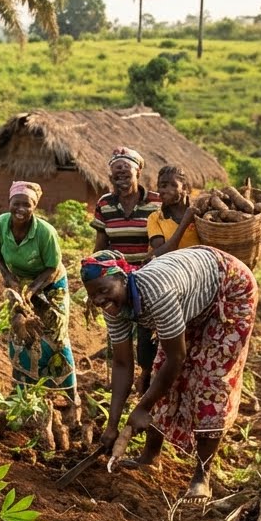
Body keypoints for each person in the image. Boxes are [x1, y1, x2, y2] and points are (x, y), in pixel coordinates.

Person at [85, 247, 257, 499]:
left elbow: (177, 358)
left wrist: (143, 408)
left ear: (123, 278)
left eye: (104, 290)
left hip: (229, 289)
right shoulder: (112, 307)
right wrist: (112, 425)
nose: (99, 299)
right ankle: (150, 457)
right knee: (159, 374)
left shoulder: (157, 294)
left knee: (212, 381)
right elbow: (122, 364)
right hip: (191, 292)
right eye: (93, 295)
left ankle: (202, 475)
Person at [0, 181, 77, 449]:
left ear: (35, 206)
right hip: (19, 283)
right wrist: (7, 276)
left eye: (27, 204)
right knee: (21, 333)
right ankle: (22, 394)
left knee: (55, 338)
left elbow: (52, 266)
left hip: (50, 283)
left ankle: (72, 399)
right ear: (9, 202)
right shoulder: (1, 225)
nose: (21, 208)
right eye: (17, 203)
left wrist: (34, 290)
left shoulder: (45, 232)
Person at [92, 147, 163, 395]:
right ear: (110, 176)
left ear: (138, 171)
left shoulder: (156, 201)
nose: (121, 174)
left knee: (147, 336)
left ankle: (146, 381)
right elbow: (101, 245)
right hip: (116, 284)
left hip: (149, 281)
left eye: (126, 169)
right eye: (116, 171)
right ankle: (119, 385)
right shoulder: (105, 204)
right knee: (118, 335)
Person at [147, 165, 201, 257]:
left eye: (171, 185)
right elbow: (159, 254)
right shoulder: (155, 218)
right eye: (161, 186)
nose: (163, 190)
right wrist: (184, 223)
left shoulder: (200, 215)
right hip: (168, 269)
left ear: (184, 188)